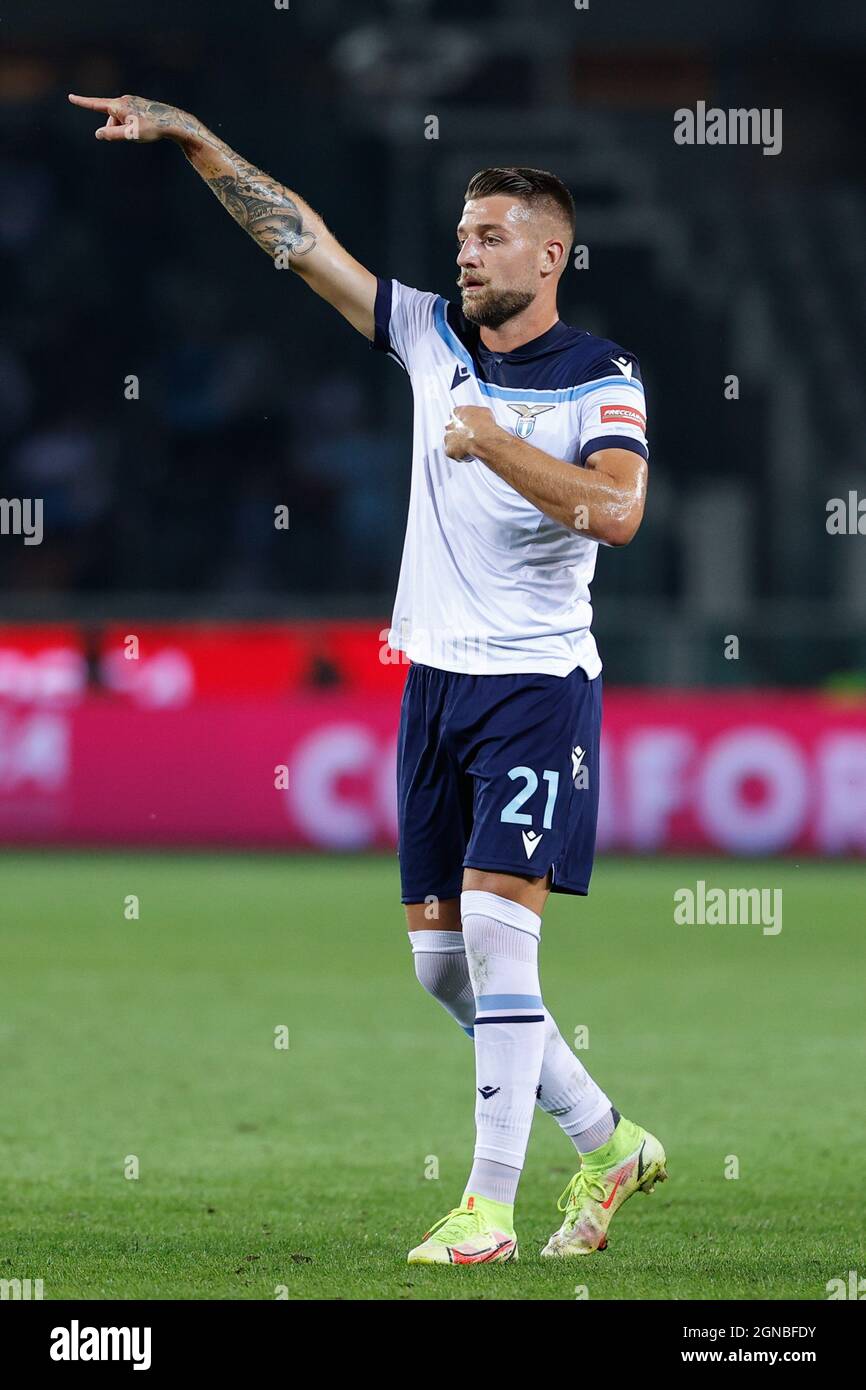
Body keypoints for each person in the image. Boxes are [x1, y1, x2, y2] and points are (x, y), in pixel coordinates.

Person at [68, 92, 667, 1264]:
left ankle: (485, 1208)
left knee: (500, 944)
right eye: (459, 234)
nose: (465, 250)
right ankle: (606, 1141)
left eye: (489, 234)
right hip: (433, 686)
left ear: (550, 251)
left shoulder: (603, 375)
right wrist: (196, 137)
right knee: (443, 969)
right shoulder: (429, 336)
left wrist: (492, 438)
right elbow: (299, 240)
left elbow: (618, 509)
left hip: (534, 688)